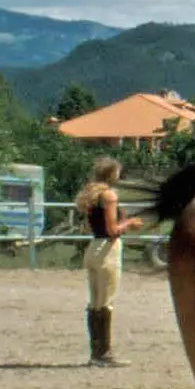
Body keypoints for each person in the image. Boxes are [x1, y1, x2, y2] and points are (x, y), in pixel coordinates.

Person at [76, 156, 144, 367]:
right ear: (112, 173)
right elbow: (113, 230)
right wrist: (130, 223)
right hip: (108, 249)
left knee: (95, 302)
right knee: (106, 302)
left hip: (93, 247)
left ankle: (96, 352)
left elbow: (93, 226)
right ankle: (104, 353)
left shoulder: (91, 195)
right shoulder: (109, 195)